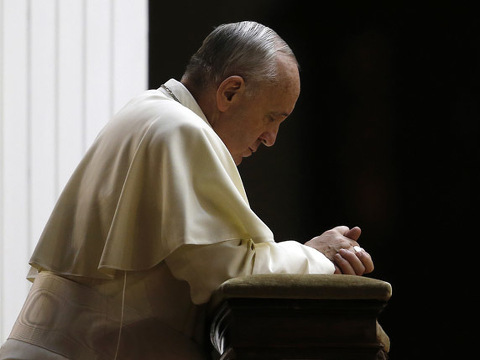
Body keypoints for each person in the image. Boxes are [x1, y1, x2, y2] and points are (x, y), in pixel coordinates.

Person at [0, 21, 374, 359]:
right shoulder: (181, 130)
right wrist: (318, 257)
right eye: (271, 117)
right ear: (230, 92)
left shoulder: (149, 111)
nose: (271, 138)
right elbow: (231, 276)